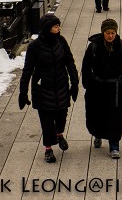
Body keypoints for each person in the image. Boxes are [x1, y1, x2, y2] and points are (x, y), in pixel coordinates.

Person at [19, 14, 79, 164]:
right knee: (46, 121)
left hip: (61, 85)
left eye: (58, 26)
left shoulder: (61, 41)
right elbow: (28, 70)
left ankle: (59, 134)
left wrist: (75, 82)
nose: (59, 28)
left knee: (61, 117)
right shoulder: (35, 46)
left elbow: (70, 62)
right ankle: (48, 149)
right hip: (42, 87)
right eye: (55, 26)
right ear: (47, 28)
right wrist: (23, 92)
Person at [81, 18, 122, 160]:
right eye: (108, 33)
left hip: (116, 88)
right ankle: (98, 134)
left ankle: (114, 144)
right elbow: (86, 67)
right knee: (98, 114)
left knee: (116, 116)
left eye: (113, 33)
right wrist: (87, 84)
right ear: (103, 33)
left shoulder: (121, 46)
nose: (110, 36)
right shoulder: (94, 47)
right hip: (98, 87)